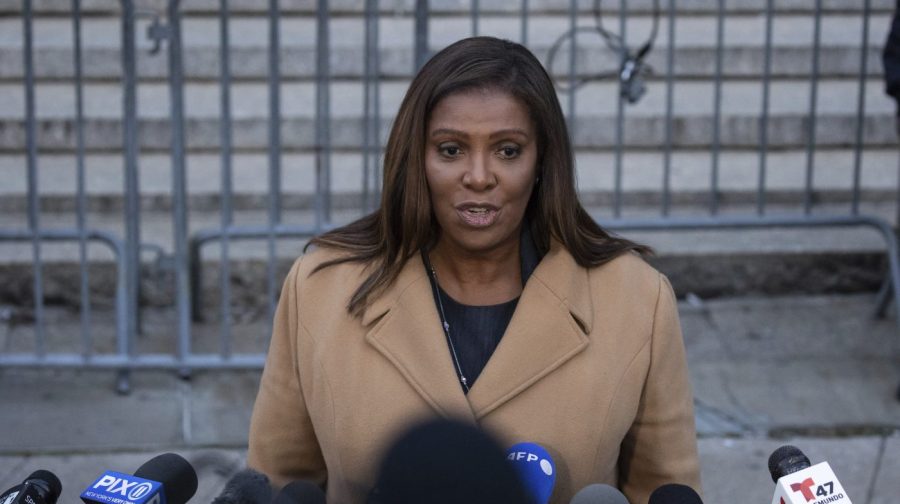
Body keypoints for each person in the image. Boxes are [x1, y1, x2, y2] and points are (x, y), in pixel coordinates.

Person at [247, 36, 701, 504]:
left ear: (542, 160)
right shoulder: (321, 287)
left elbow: (663, 489)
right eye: (450, 150)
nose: (480, 176)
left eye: (507, 151)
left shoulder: (636, 299)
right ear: (415, 158)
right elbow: (277, 483)